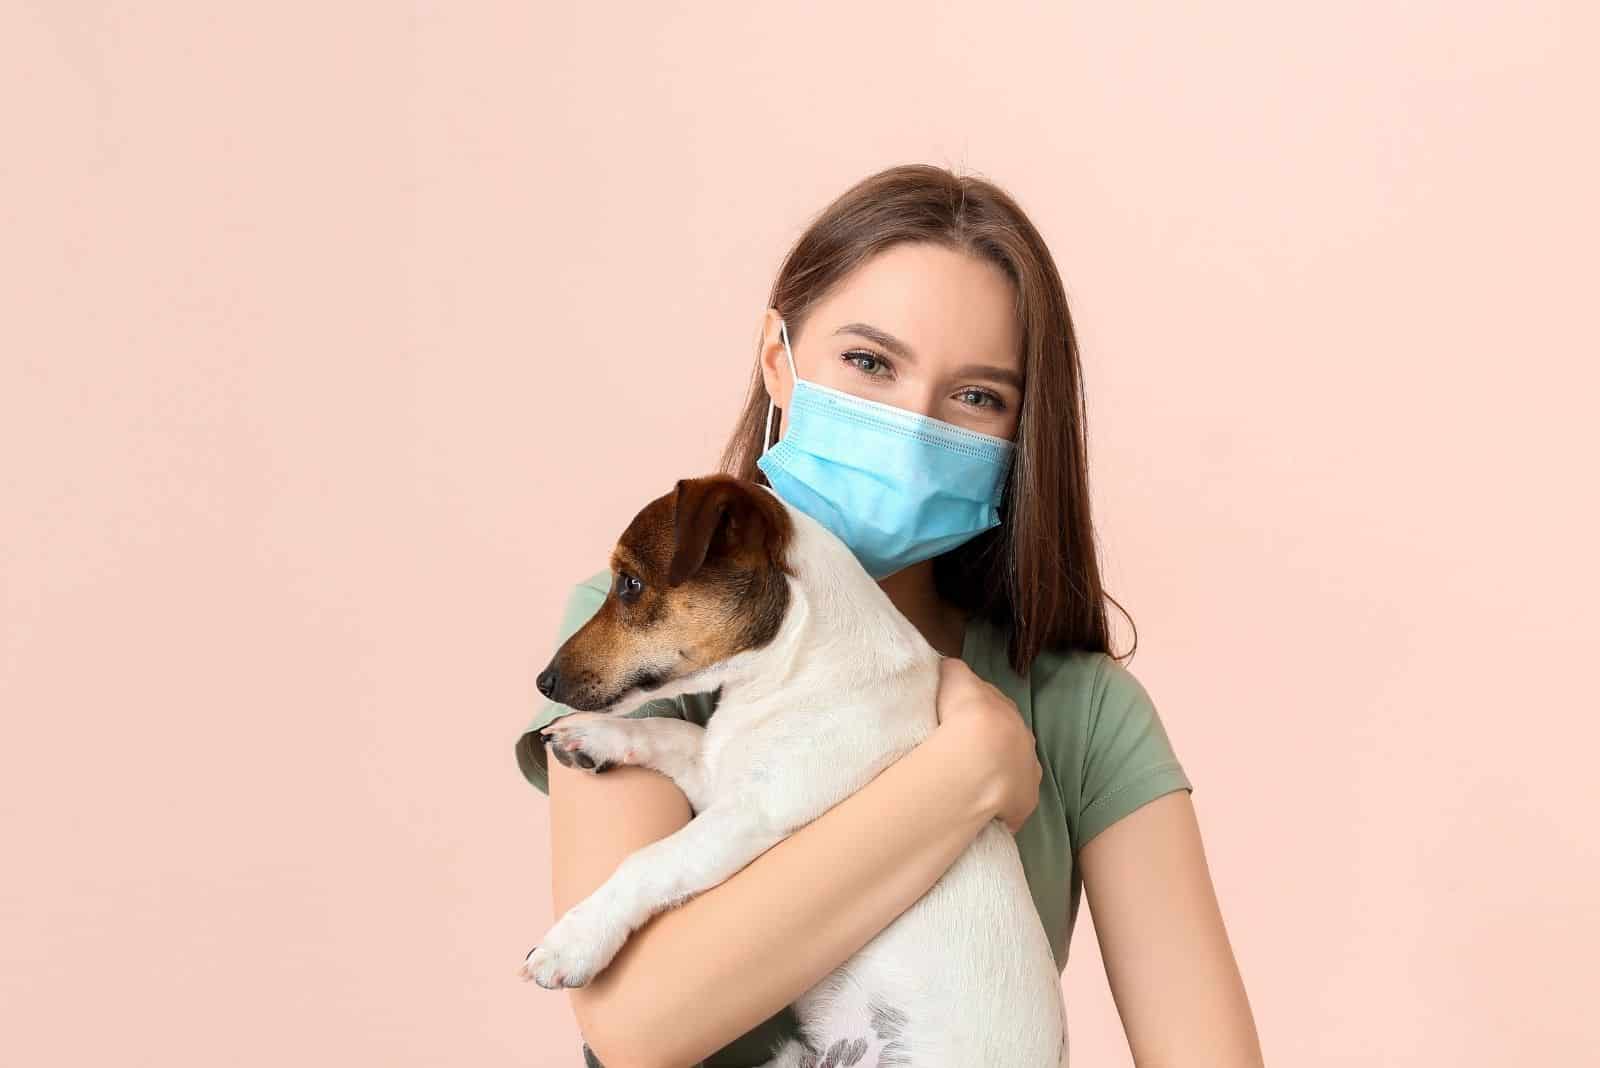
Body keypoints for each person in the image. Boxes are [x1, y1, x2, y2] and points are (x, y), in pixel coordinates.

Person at [515, 164, 1265, 1068]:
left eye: (978, 396)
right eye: (869, 363)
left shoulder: (1083, 710)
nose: (911, 430)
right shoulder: (642, 631)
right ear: (777, 362)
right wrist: (965, 777)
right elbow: (638, 1023)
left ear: (1023, 435)